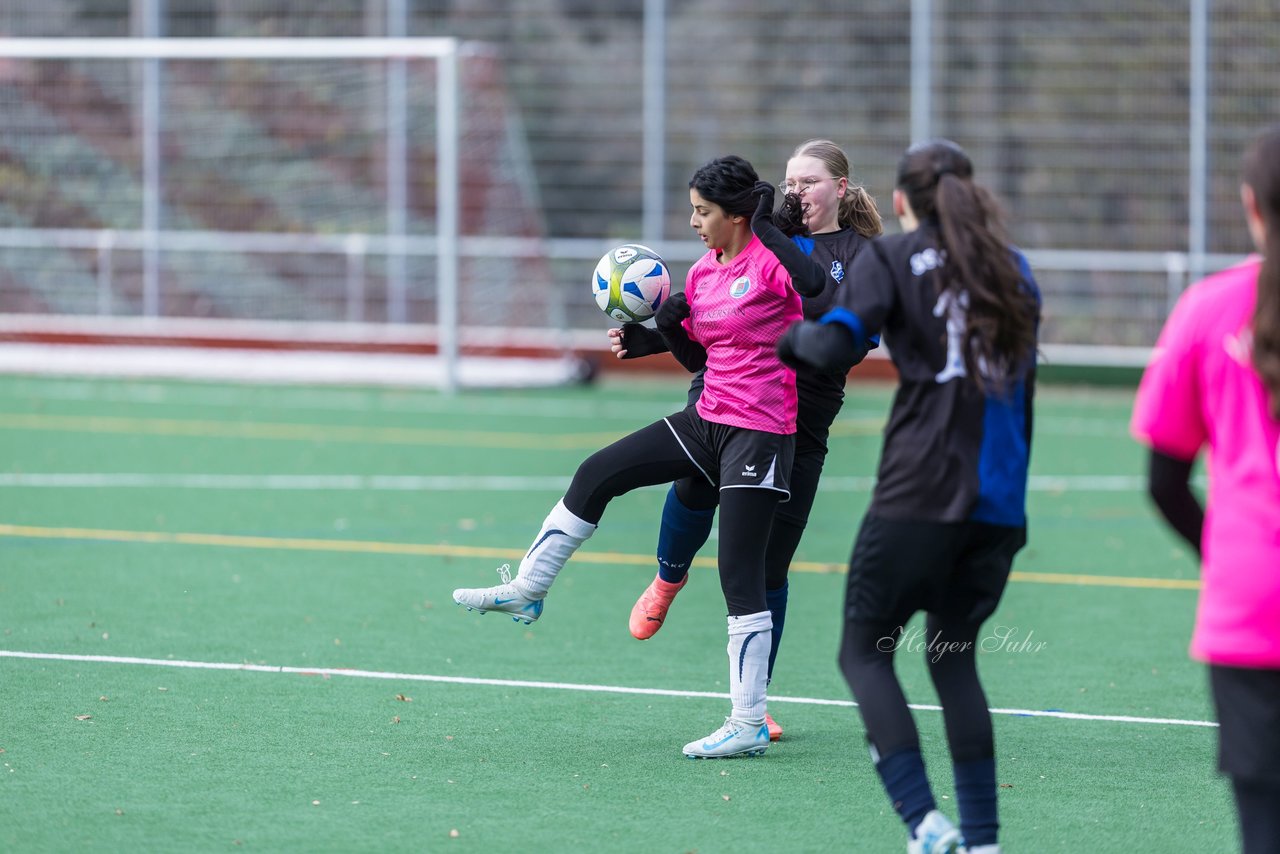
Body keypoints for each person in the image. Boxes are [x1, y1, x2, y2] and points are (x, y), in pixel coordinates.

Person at [452, 154, 821, 758]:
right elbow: (702, 358)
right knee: (598, 471)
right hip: (707, 422)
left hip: (760, 432)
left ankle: (748, 722)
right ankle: (528, 586)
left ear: (735, 213)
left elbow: (815, 287)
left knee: (740, 577)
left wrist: (769, 226)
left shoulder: (772, 264)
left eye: (703, 212)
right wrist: (662, 333)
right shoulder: (703, 272)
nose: (695, 222)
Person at [777, 139, 1039, 854]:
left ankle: (926, 823)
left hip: (918, 498)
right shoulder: (1015, 270)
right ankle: (982, 840)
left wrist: (787, 342)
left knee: (865, 652)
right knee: (953, 659)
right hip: (997, 509)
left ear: (898, 202)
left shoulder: (891, 259)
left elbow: (832, 348)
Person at [609, 139, 883, 743]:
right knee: (690, 492)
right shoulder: (755, 235)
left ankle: (754, 702)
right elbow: (720, 313)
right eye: (789, 180)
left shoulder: (861, 255)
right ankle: (667, 579)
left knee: (768, 567)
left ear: (840, 187)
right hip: (728, 399)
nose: (796, 192)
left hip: (801, 424)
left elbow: (844, 328)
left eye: (810, 181)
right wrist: (652, 338)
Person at [1130, 123, 1280, 854]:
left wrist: (1223, 557)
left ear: (1252, 206)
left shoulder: (1208, 308)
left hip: (1251, 598)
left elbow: (1164, 479)